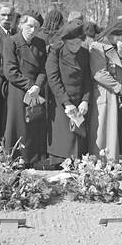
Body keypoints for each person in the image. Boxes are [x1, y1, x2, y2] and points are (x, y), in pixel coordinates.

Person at [3, 10, 47, 167]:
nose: (33, 30)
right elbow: (10, 71)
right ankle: (15, 158)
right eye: (30, 26)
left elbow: (44, 68)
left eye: (36, 27)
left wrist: (37, 85)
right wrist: (29, 85)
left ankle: (33, 157)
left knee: (34, 122)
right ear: (21, 25)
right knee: (17, 123)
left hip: (36, 89)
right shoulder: (12, 41)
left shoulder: (40, 44)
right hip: (18, 89)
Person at [46, 19, 91, 165]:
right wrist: (66, 102)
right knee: (63, 135)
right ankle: (59, 162)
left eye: (78, 43)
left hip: (79, 98)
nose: (76, 47)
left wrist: (85, 99)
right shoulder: (56, 52)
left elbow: (87, 79)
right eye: (72, 44)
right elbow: (53, 78)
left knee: (78, 134)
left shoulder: (84, 53)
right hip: (61, 98)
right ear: (65, 41)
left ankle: (78, 160)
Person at [88, 18, 122, 161]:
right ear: (115, 34)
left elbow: (121, 71)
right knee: (103, 130)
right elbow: (99, 73)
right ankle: (100, 160)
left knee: (112, 131)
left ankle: (111, 160)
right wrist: (119, 89)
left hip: (114, 95)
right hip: (104, 93)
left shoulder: (114, 48)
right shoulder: (97, 46)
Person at [0, 2, 14, 139]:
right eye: (3, 15)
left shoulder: (13, 33)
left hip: (10, 81)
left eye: (10, 15)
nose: (7, 18)